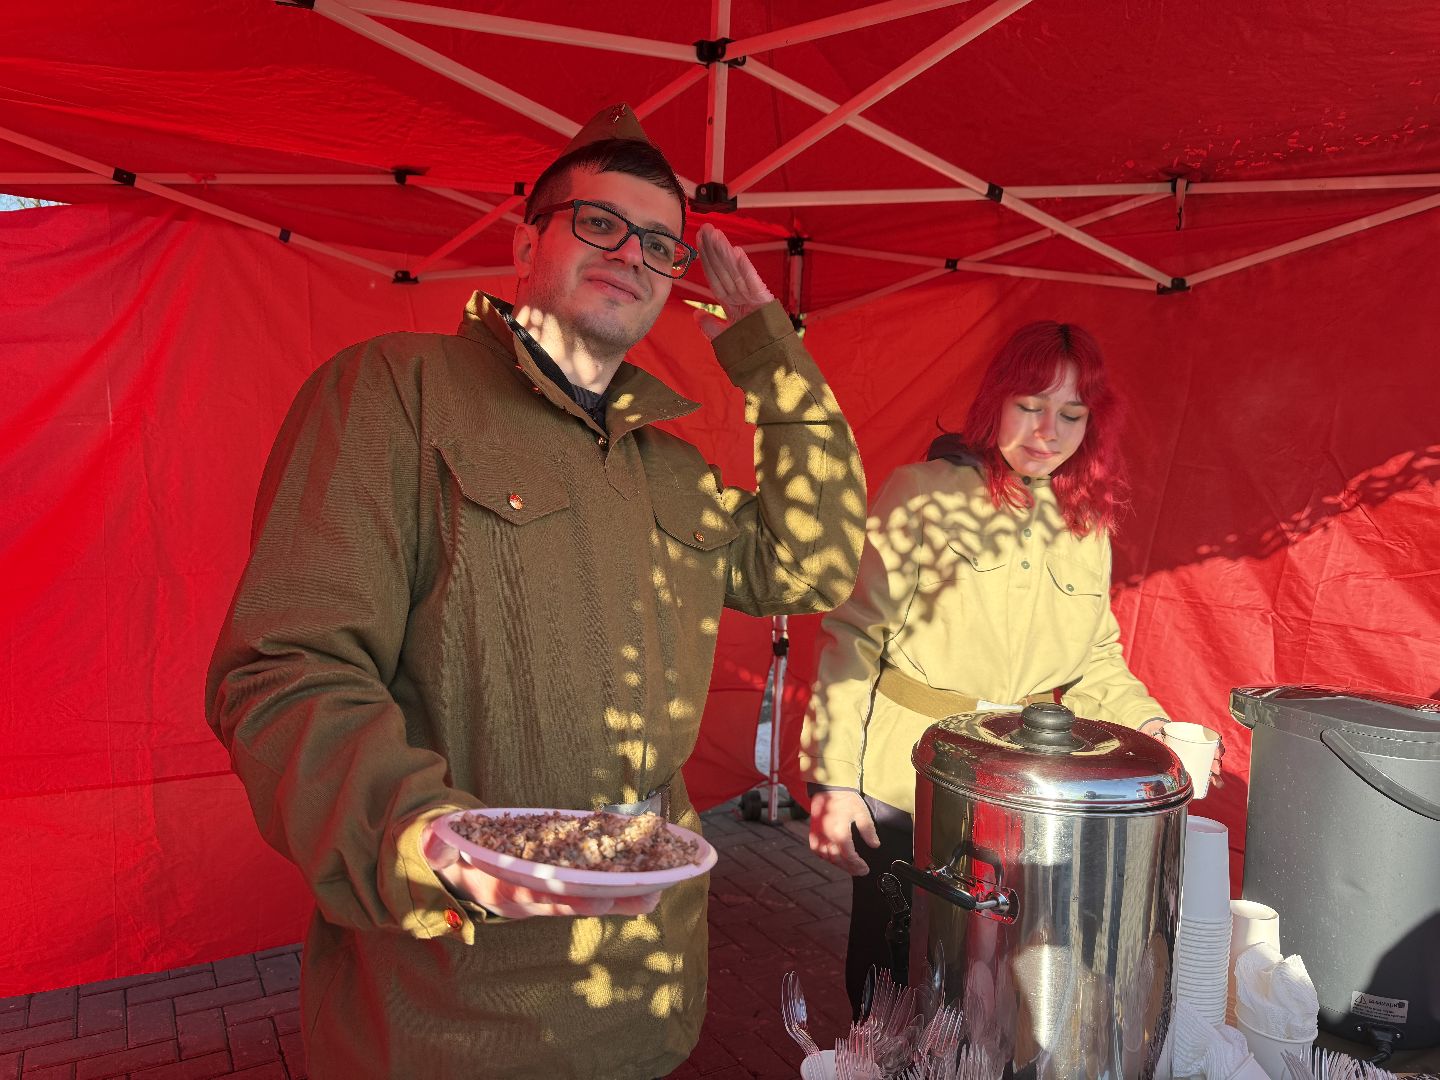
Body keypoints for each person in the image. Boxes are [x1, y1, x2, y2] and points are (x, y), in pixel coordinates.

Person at [205, 103, 866, 1080]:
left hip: (648, 977)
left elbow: (813, 558)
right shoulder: (393, 392)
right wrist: (423, 838)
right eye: (598, 222)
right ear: (526, 243)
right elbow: (286, 671)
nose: (632, 254)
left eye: (659, 244)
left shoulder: (671, 469)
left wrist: (770, 354)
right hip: (458, 1000)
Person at [798, 320, 1209, 1014]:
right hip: (908, 781)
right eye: (1031, 405)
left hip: (1020, 794)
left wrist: (1152, 723)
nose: (1048, 431)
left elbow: (1095, 659)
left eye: (1071, 414)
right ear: (996, 402)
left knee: (989, 986)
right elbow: (853, 637)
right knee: (891, 979)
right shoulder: (921, 492)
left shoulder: (1087, 524)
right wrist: (833, 781)